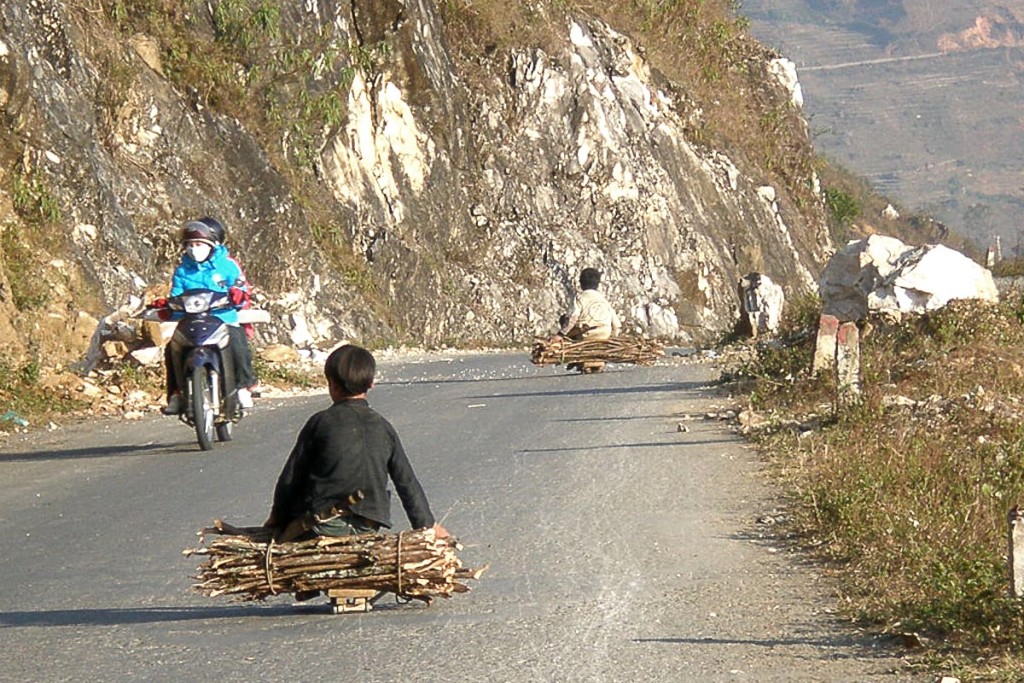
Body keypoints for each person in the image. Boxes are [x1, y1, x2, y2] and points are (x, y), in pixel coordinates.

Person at [264, 344, 449, 544]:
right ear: (371, 385)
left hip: (322, 525)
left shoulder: (320, 422)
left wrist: (276, 519)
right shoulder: (383, 427)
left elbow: (290, 478)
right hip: (367, 525)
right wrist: (427, 526)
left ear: (331, 384)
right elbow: (406, 482)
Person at [158, 219, 257, 415]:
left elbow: (240, 287)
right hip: (192, 321)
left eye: (199, 244)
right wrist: (168, 306)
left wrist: (238, 293)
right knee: (172, 348)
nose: (194, 249)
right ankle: (177, 393)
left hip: (223, 318)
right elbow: (176, 295)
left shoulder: (227, 266)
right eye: (190, 245)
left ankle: (243, 386)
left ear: (212, 245)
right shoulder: (182, 270)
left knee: (237, 339)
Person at [553, 267, 621, 373]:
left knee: (564, 318)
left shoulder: (580, 298)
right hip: (604, 335)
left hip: (586, 335)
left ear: (581, 283)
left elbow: (572, 318)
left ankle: (578, 355)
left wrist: (560, 335)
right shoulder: (603, 300)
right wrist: (611, 340)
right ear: (598, 284)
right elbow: (617, 324)